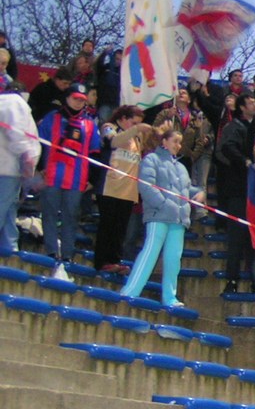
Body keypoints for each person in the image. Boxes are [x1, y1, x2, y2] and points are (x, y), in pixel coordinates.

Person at [119, 129, 204, 307]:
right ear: (164, 142)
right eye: (175, 141)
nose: (178, 146)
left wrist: (199, 193)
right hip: (159, 216)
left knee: (174, 258)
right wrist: (163, 204)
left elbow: (186, 190)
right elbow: (146, 185)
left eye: (180, 143)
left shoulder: (181, 167)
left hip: (178, 219)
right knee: (149, 253)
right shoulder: (151, 159)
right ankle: (130, 291)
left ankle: (170, 297)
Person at [36, 82, 101, 264]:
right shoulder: (52, 118)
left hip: (76, 179)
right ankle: (50, 251)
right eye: (75, 99)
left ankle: (67, 254)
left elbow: (95, 152)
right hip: (52, 174)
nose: (78, 103)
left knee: (71, 216)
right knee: (49, 213)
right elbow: (40, 142)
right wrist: (40, 166)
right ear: (67, 98)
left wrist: (93, 179)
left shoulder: (89, 124)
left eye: (82, 100)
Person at [94, 105, 150, 274]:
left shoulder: (137, 138)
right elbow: (112, 141)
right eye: (133, 122)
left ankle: (115, 260)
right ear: (123, 118)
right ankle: (102, 260)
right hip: (110, 186)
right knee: (107, 225)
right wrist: (136, 129)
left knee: (121, 228)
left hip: (128, 190)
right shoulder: (109, 127)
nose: (135, 126)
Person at [215, 93, 255, 294]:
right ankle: (231, 279)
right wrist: (245, 162)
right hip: (239, 190)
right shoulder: (235, 127)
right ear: (242, 107)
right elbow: (227, 148)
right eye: (250, 103)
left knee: (254, 239)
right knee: (236, 238)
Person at [0, 84, 39, 252]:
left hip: (11, 168)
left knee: (9, 209)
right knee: (3, 207)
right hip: (8, 169)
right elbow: (17, 133)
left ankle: (10, 246)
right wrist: (27, 158)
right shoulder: (15, 102)